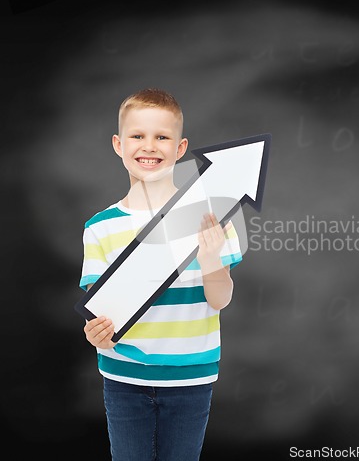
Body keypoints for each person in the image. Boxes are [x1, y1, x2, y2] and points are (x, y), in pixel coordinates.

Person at [79, 88, 242, 460]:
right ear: (118, 144)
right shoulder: (99, 227)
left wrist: (211, 258)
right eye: (138, 136)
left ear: (180, 148)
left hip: (191, 377)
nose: (149, 146)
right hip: (124, 379)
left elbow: (220, 299)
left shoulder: (211, 216)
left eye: (162, 137)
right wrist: (96, 334)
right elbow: (99, 315)